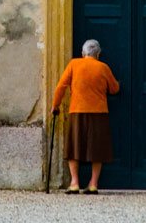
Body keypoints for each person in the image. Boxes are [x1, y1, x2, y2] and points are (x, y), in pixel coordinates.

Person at [52, 38, 120, 194]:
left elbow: (61, 87)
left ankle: (75, 182)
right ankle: (93, 183)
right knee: (97, 149)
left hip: (77, 111)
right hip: (99, 113)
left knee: (74, 146)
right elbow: (114, 89)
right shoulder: (103, 67)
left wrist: (55, 106)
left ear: (83, 53)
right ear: (98, 54)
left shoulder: (74, 64)